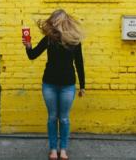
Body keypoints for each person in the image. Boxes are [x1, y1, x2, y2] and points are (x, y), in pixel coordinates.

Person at [22, 9, 85, 160]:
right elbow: (33, 55)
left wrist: (82, 85)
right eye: (53, 21)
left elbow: (79, 63)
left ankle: (62, 149)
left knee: (63, 118)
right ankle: (52, 149)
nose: (54, 24)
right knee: (52, 117)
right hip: (49, 84)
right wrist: (28, 46)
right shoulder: (49, 39)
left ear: (64, 22)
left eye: (56, 21)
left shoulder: (74, 41)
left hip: (68, 85)